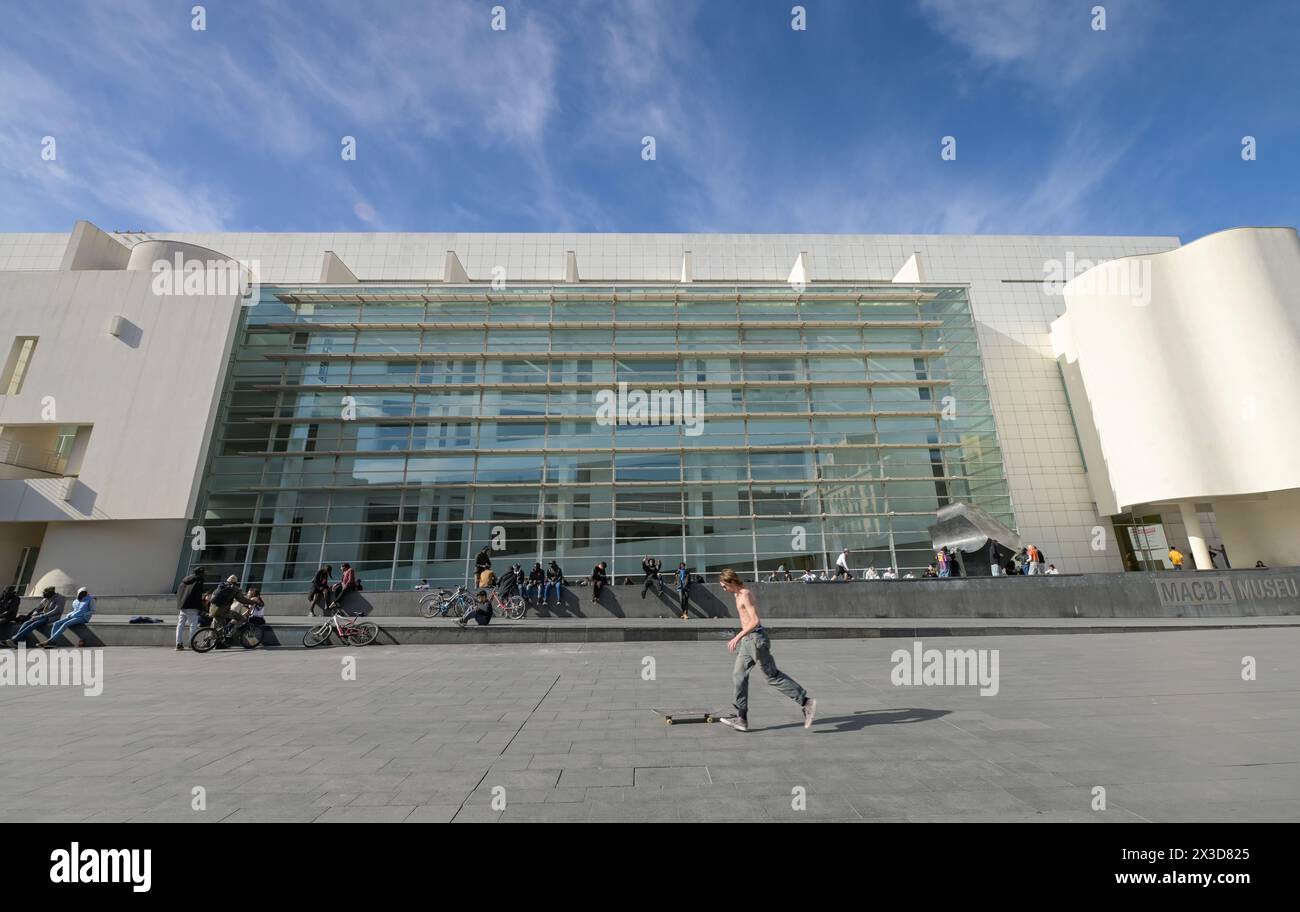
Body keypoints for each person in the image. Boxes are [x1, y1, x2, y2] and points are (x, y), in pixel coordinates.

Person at [715, 569, 815, 734]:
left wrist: (737, 637)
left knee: (772, 676)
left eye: (724, 586)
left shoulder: (744, 594)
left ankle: (806, 701)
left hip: (756, 640)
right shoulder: (736, 594)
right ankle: (741, 718)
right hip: (749, 641)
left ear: (731, 582)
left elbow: (755, 621)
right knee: (738, 675)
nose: (724, 589)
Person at [175, 566, 209, 651]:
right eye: (203, 573)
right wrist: (200, 607)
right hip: (192, 606)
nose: (204, 574)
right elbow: (198, 595)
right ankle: (191, 643)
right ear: (200, 573)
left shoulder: (185, 580)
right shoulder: (199, 580)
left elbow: (178, 592)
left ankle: (178, 644)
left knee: (180, 625)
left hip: (183, 606)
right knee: (193, 625)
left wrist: (180, 604)